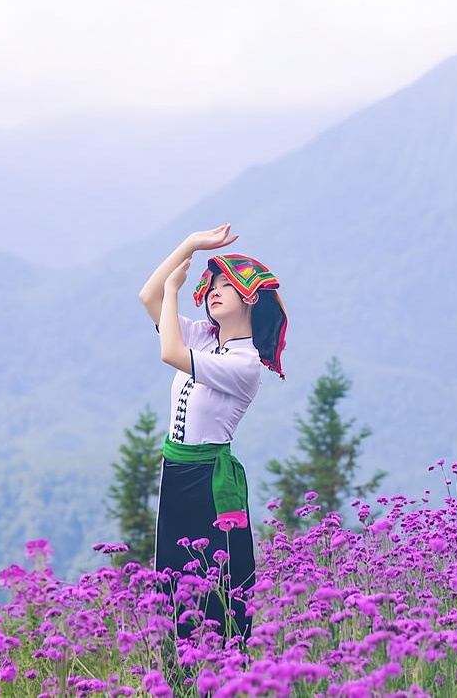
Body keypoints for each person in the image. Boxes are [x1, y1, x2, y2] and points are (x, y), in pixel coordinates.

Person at [137, 224, 288, 653]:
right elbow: (147, 297)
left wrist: (173, 290)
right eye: (213, 284)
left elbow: (169, 352)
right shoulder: (206, 338)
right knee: (172, 587)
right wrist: (190, 244)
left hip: (208, 482)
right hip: (175, 473)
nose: (215, 291)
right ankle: (178, 676)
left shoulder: (246, 363)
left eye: (226, 285)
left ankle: (223, 671)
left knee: (215, 586)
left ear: (250, 297)